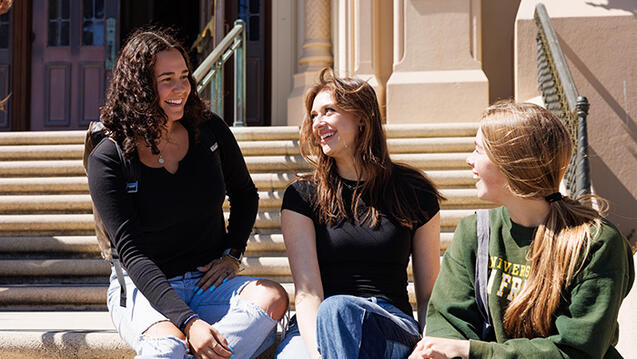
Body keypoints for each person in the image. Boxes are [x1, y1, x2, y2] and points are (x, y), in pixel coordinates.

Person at [87, 28, 288, 359]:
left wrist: (232, 253)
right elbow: (133, 255)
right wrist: (190, 323)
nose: (181, 88)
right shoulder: (109, 157)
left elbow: (245, 193)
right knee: (168, 348)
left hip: (206, 283)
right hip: (144, 287)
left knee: (273, 297)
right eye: (167, 79)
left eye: (184, 76)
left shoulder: (209, 130)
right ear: (139, 87)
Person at [410, 101, 635, 359]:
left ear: (511, 164)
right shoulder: (474, 233)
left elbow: (576, 350)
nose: (468, 160)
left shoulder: (595, 242)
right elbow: (447, 325)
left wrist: (474, 351)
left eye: (478, 150)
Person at [275, 68, 444, 359]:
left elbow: (429, 294)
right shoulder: (303, 196)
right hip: (317, 320)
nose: (318, 123)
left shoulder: (413, 190)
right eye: (314, 115)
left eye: (329, 111)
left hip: (389, 322)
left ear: (362, 119)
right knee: (325, 319)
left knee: (339, 308)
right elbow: (308, 294)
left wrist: (428, 346)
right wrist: (318, 353)